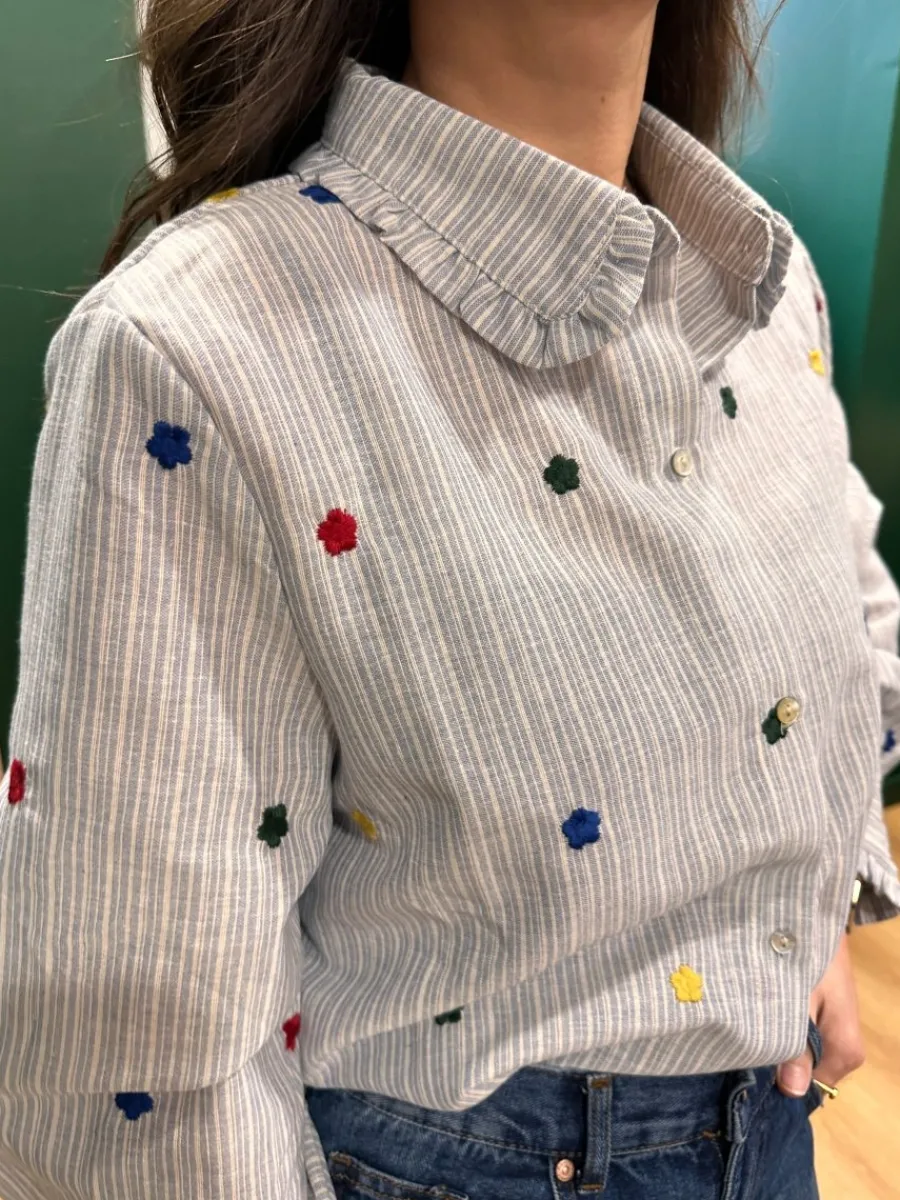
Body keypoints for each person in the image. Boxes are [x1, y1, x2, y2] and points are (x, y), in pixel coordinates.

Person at [1, 0, 899, 1196]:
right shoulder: (199, 342)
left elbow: (847, 619)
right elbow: (142, 1038)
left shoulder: (764, 291)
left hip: (775, 1128)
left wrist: (793, 898)